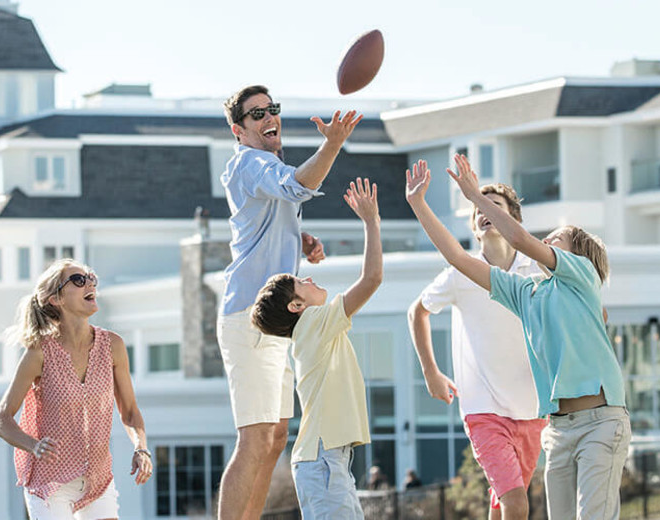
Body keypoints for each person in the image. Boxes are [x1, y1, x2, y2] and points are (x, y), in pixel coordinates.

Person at [406, 156, 630, 519]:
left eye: (556, 240)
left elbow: (519, 238)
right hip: (558, 429)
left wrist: (472, 195)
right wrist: (417, 204)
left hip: (601, 421)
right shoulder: (527, 293)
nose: (546, 242)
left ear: (575, 255)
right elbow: (457, 257)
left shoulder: (582, 275)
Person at [217, 85, 362, 519]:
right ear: (238, 129)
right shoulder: (251, 162)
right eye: (256, 113)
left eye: (272, 109)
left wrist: (299, 239)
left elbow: (264, 222)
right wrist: (333, 144)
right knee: (256, 437)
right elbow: (299, 185)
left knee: (276, 437)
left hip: (276, 323)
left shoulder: (262, 165)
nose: (268, 118)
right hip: (249, 317)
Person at [407, 181, 546, 520]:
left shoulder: (538, 270)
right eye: (478, 209)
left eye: (495, 205)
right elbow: (417, 312)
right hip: (483, 410)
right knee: (516, 503)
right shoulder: (460, 273)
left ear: (513, 218)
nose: (485, 212)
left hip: (533, 410)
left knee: (501, 503)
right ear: (473, 226)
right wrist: (430, 372)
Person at [251, 178, 381, 520]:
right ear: (296, 307)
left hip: (326, 458)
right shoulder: (313, 324)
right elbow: (371, 280)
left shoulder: (312, 328)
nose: (309, 280)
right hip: (322, 460)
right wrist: (370, 221)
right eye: (300, 283)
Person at [0, 259, 152, 520]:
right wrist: (33, 446)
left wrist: (141, 448)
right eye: (78, 280)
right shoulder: (39, 353)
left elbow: (130, 411)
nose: (90, 283)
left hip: (97, 478)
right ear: (56, 298)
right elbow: (1, 421)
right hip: (50, 483)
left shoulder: (113, 346)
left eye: (91, 278)